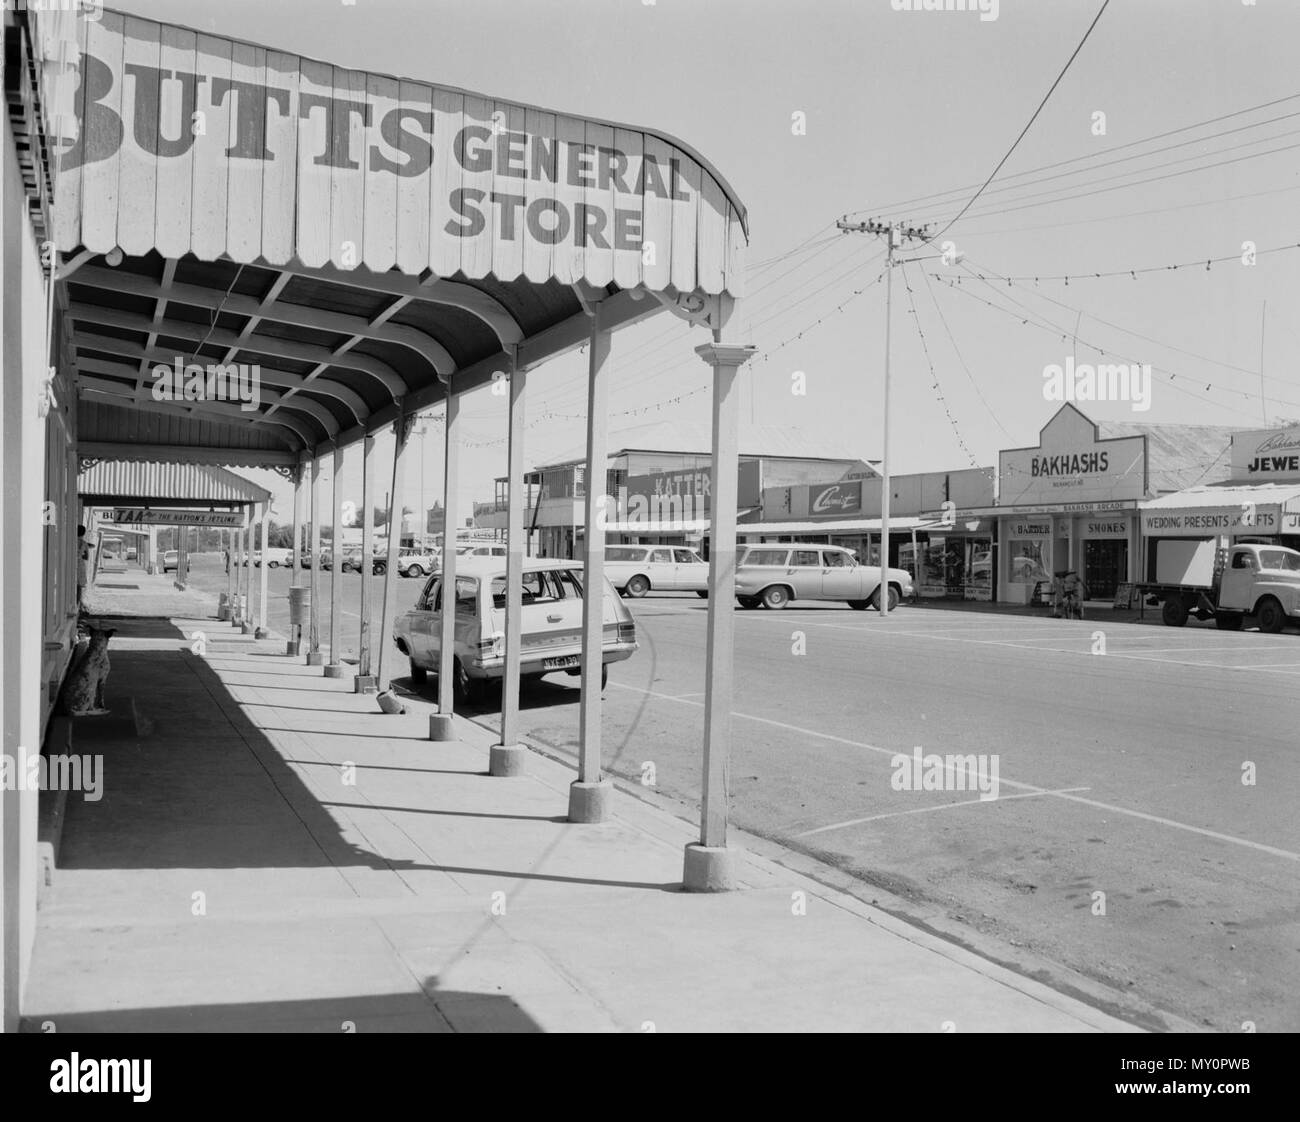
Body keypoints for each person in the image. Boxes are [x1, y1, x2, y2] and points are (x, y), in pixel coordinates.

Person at [77, 525, 90, 607]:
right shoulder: (84, 543)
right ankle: (77, 604)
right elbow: (86, 557)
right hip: (80, 564)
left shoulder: (69, 541)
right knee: (78, 586)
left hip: (68, 563)